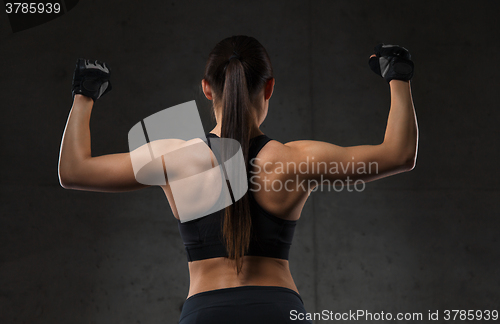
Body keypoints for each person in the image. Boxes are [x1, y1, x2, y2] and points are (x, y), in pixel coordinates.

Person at [58, 36, 418, 323]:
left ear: (207, 88)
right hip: (278, 311)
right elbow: (398, 154)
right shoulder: (294, 160)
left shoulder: (173, 158)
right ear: (270, 87)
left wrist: (85, 94)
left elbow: (74, 171)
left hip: (205, 312)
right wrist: (397, 76)